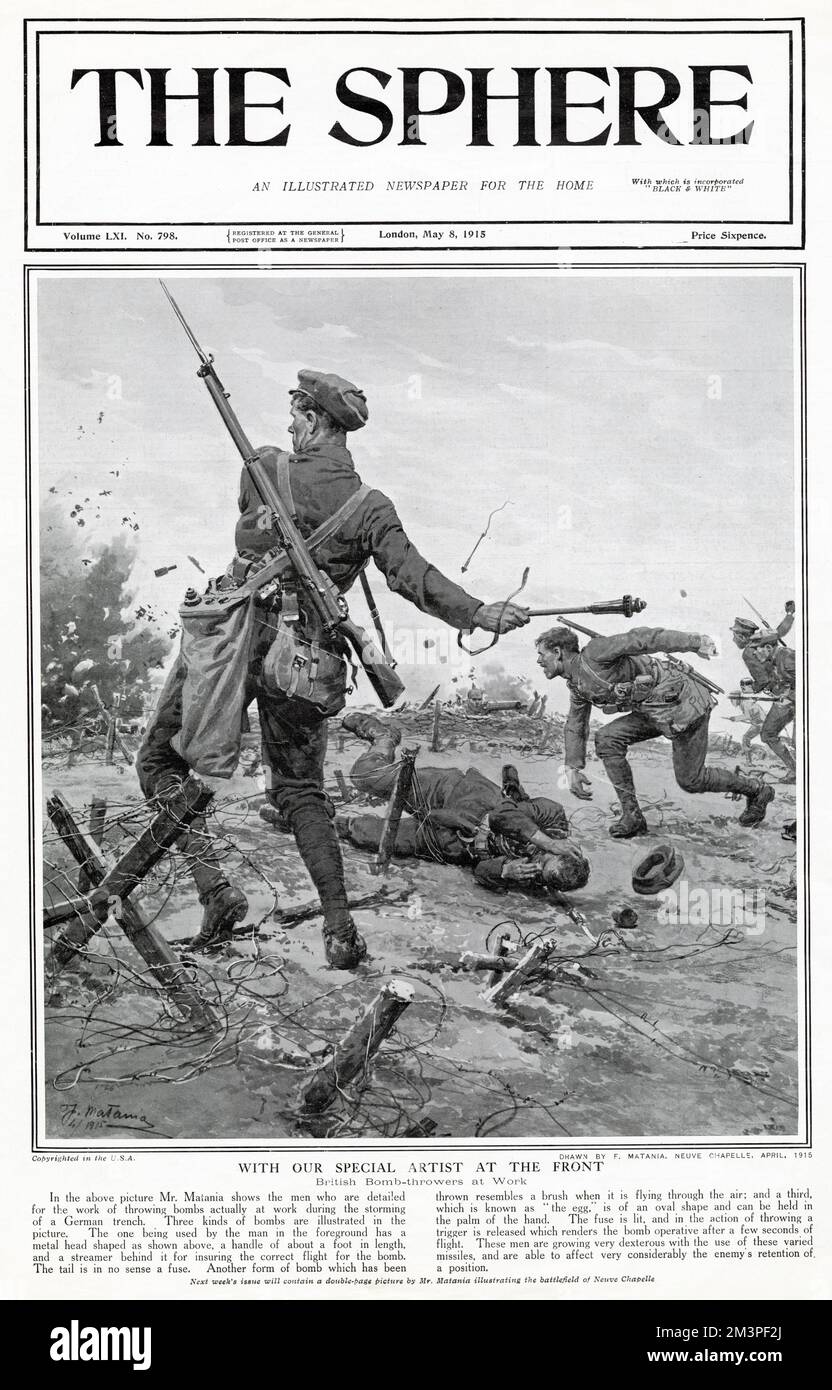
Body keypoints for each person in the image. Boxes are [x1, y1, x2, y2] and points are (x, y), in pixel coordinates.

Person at [137, 369, 529, 967]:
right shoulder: (371, 505)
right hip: (308, 659)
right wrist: (477, 611)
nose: (289, 426)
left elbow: (248, 526)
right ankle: (341, 929)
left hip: (234, 639)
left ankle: (214, 886)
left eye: (295, 415)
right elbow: (413, 577)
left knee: (160, 761)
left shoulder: (261, 470)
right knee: (301, 792)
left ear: (314, 417)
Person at [535, 624, 775, 838]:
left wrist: (695, 642)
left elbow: (644, 638)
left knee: (691, 780)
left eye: (541, 654)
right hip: (653, 711)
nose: (538, 661)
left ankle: (758, 790)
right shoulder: (577, 685)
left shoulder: (596, 653)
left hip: (684, 703)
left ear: (558, 652)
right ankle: (633, 816)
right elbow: (576, 725)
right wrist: (572, 767)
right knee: (607, 738)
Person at [334, 712, 590, 896]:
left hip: (448, 840)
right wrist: (546, 841)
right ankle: (384, 738)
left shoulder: (536, 875)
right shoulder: (553, 817)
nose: (537, 865)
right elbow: (501, 815)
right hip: (456, 794)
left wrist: (504, 871)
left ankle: (322, 820)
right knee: (365, 776)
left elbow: (480, 871)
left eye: (541, 873)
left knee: (368, 835)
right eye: (546, 860)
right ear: (564, 850)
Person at [743, 630, 797, 780]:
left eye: (756, 650)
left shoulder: (787, 657)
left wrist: (790, 697)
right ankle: (795, 769)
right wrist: (753, 689)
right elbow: (774, 682)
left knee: (800, 742)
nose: (754, 654)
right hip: (786, 701)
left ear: (767, 647)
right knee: (767, 734)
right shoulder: (770, 661)